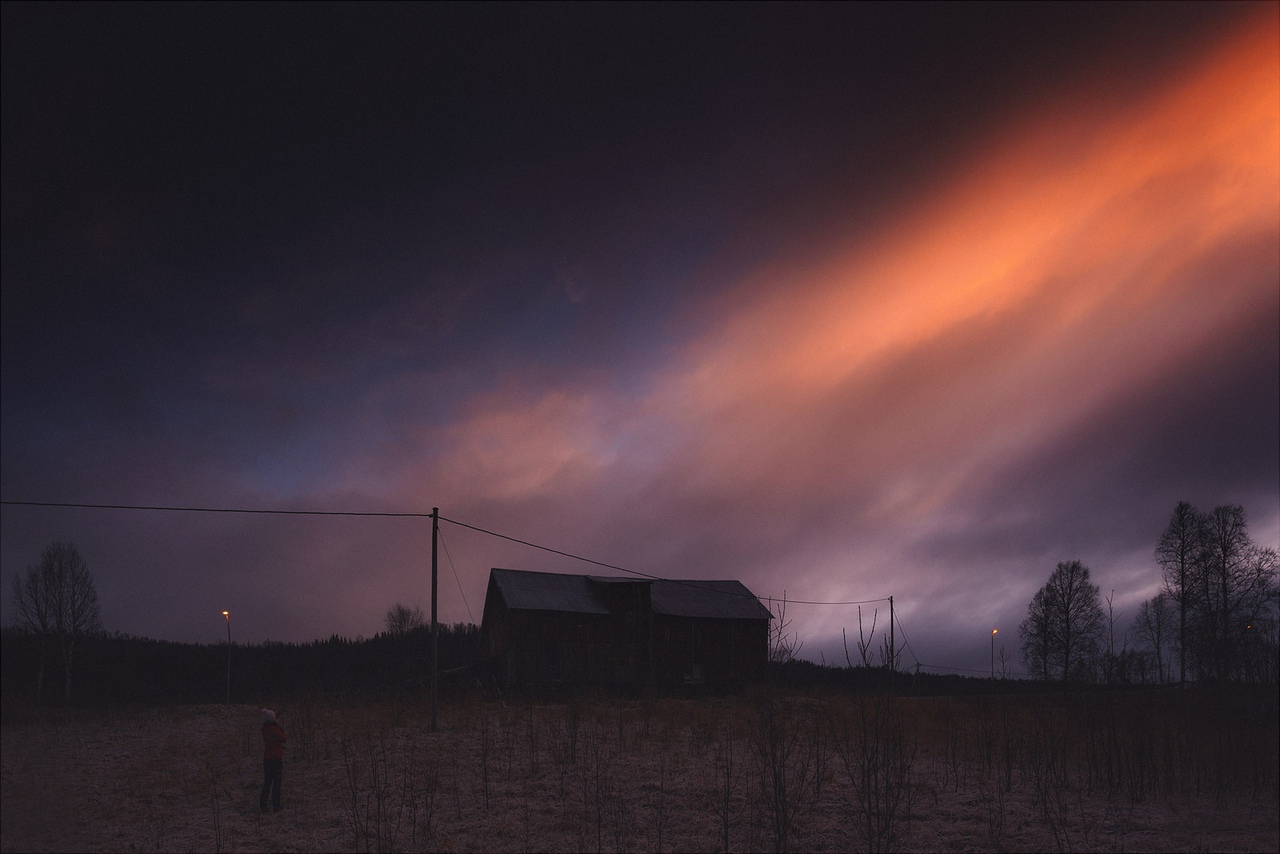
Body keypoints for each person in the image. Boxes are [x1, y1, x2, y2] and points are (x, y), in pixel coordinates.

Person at [260, 708, 287, 813]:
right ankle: (276, 805)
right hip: (276, 758)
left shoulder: (265, 728)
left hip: (267, 758)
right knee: (277, 782)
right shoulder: (274, 729)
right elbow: (284, 738)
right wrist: (278, 725)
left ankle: (263, 805)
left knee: (267, 782)